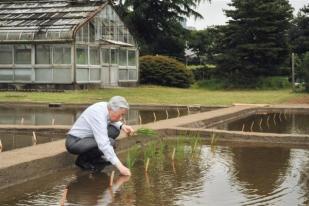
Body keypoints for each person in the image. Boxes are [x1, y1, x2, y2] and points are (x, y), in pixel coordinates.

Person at [65, 96, 134, 175]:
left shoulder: (107, 106)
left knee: (114, 131)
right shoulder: (98, 115)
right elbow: (104, 144)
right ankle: (81, 161)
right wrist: (121, 167)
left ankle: (95, 158)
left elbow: (111, 118)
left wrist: (122, 126)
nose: (121, 118)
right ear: (112, 109)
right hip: (75, 142)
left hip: (87, 138)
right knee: (111, 143)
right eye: (121, 115)